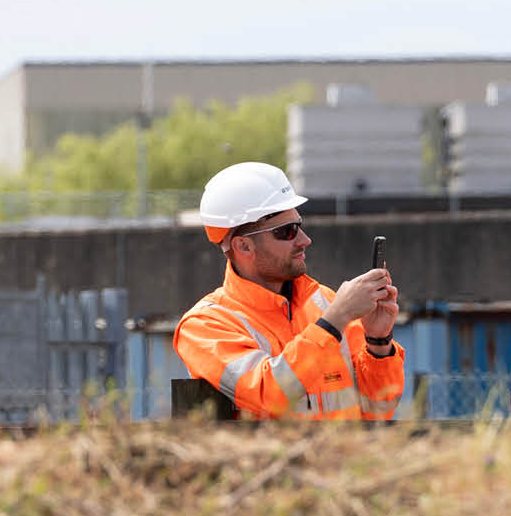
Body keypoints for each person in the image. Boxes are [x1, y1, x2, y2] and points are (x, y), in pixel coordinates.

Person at [173, 161, 404, 420]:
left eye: (299, 225)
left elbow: (380, 409)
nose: (304, 239)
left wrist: (378, 341)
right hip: (275, 462)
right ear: (243, 246)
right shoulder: (205, 326)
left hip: (343, 459)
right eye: (287, 231)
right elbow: (270, 393)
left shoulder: (326, 303)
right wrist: (335, 321)